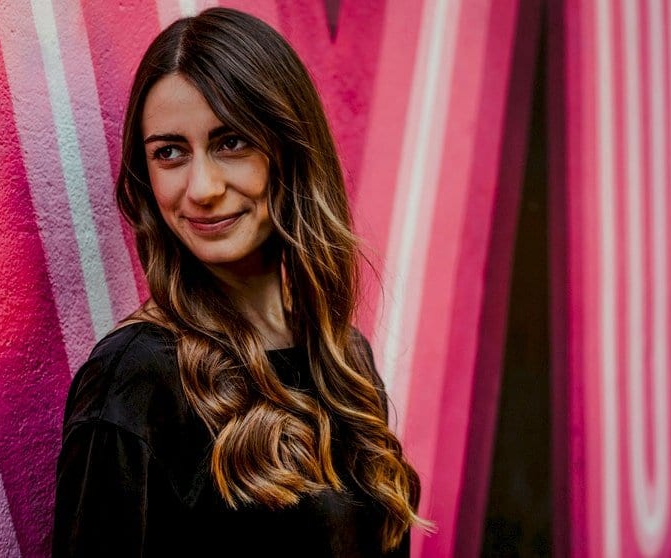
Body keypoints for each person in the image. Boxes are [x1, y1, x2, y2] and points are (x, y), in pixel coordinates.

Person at [52, 7, 429, 557]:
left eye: (231, 142)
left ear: (289, 151)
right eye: (170, 152)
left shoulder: (345, 359)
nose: (201, 188)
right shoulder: (136, 379)